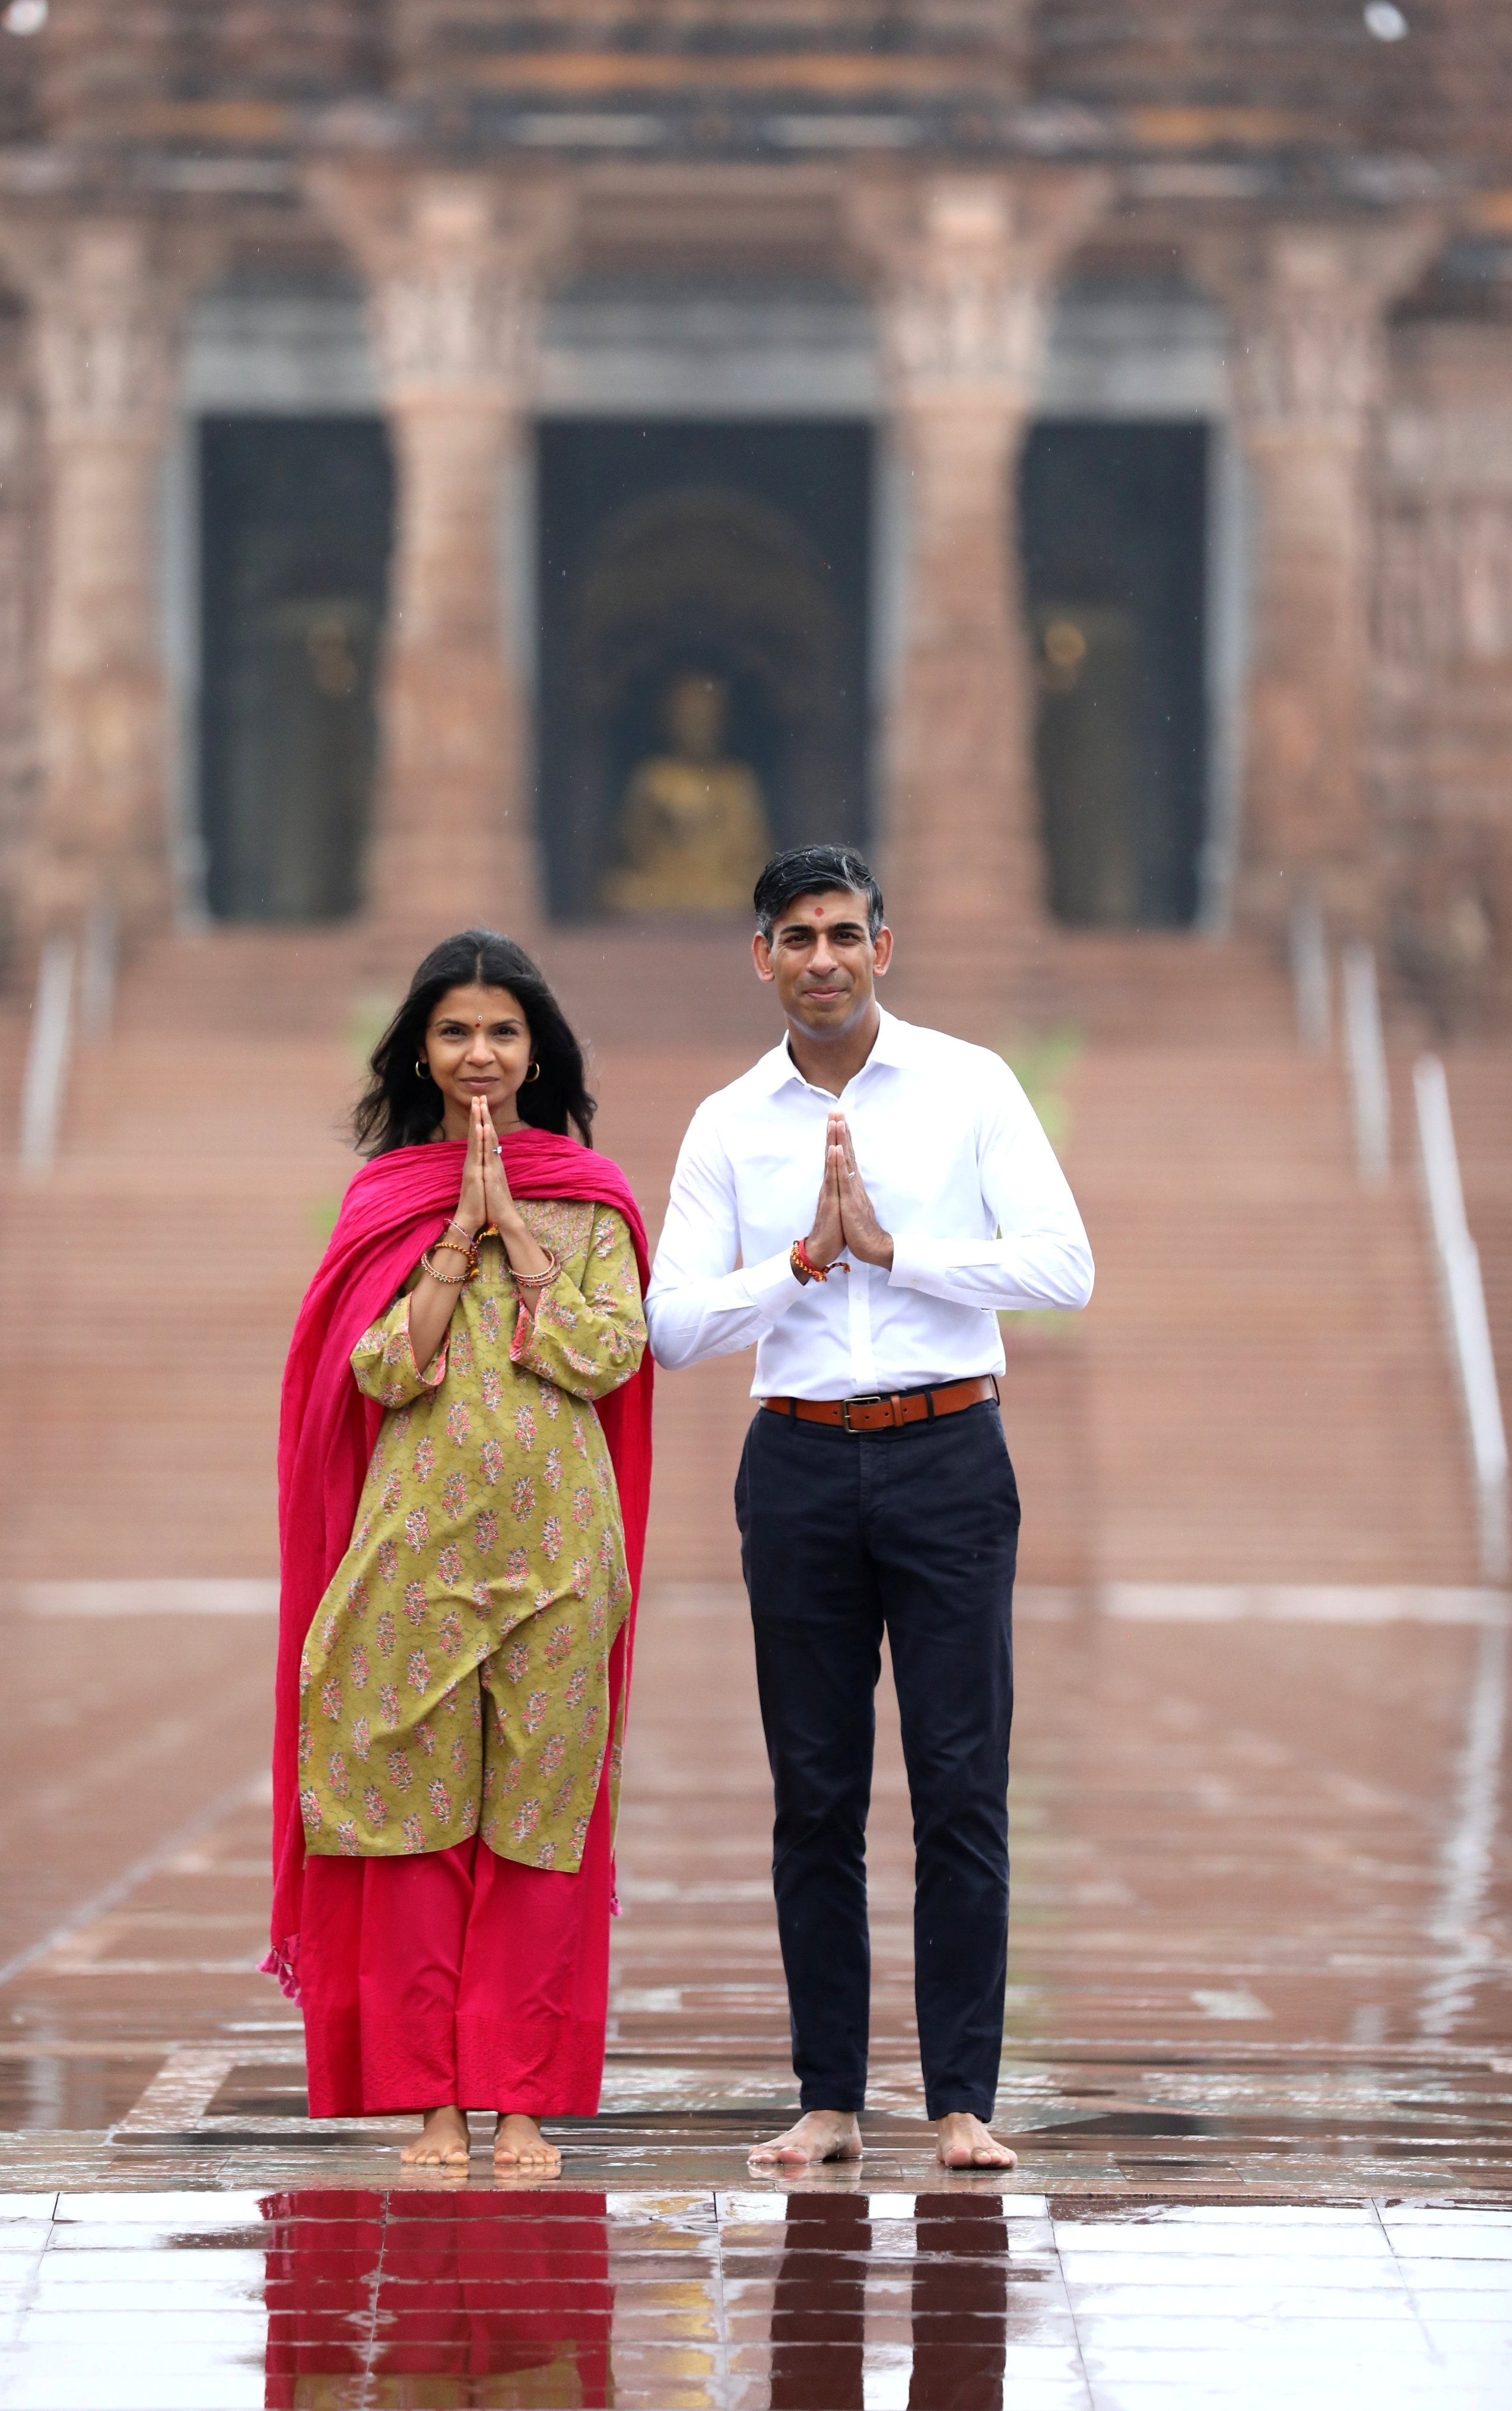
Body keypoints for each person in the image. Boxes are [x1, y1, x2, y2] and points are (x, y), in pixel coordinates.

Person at [646, 845, 1094, 2170]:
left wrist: (903, 1251)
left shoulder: (970, 1085)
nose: (824, 958)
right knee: (814, 1792)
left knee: (961, 1784)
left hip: (948, 1448)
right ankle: (829, 2096)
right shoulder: (731, 1119)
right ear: (763, 958)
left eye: (845, 933)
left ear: (883, 948)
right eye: (798, 936)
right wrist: (799, 1263)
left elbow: (1063, 1263)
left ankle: (962, 2099)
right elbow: (670, 1323)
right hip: (794, 1463)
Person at [265, 930, 653, 2175]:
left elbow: (608, 1352)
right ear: (419, 1051)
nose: (479, 1053)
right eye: (454, 1031)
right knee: (417, 1823)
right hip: (414, 1546)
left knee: (541, 1821)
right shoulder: (385, 1196)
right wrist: (452, 1242)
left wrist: (520, 1237)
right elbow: (376, 1365)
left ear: (538, 1050)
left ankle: (523, 2099)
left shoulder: (590, 1194)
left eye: (501, 1030)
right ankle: (433, 2100)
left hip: (559, 1552)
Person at [603, 672, 771, 914]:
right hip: (663, 884)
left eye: (705, 719)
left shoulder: (736, 780)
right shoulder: (653, 776)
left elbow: (750, 848)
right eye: (688, 718)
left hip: (720, 886)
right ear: (668, 721)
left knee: (756, 891)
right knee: (619, 890)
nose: (697, 727)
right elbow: (634, 845)